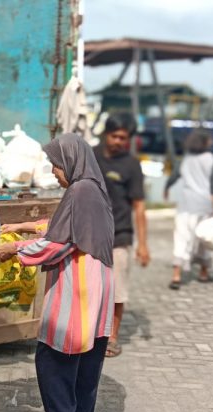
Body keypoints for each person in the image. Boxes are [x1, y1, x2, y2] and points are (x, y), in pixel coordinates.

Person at [0, 134, 115, 412]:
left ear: (70, 162)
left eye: (56, 165)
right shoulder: (94, 188)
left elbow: (58, 243)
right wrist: (23, 226)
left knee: (54, 371)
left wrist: (15, 248)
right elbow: (65, 224)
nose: (52, 172)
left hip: (77, 296)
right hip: (97, 297)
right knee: (84, 380)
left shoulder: (79, 190)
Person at [92, 113, 149, 358]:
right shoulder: (90, 156)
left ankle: (112, 337)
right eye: (115, 136)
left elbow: (139, 205)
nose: (118, 141)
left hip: (120, 235)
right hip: (91, 234)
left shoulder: (131, 165)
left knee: (116, 291)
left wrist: (143, 245)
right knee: (91, 288)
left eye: (123, 138)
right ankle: (90, 332)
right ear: (106, 134)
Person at [164, 129, 213, 290]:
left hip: (185, 205)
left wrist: (167, 188)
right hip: (205, 206)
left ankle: (176, 275)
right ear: (205, 142)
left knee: (181, 238)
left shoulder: (186, 159)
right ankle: (203, 272)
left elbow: (174, 176)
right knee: (204, 239)